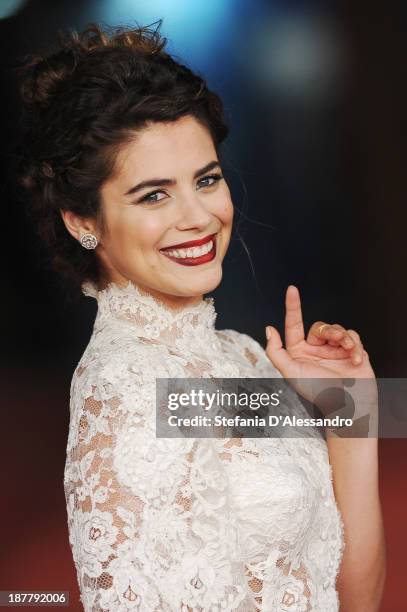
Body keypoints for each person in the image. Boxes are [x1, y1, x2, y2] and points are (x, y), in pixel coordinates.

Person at [18, 22, 385, 611]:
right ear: (81, 220)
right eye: (153, 195)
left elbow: (353, 598)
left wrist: (351, 409)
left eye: (207, 180)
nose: (199, 217)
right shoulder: (127, 392)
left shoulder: (237, 356)